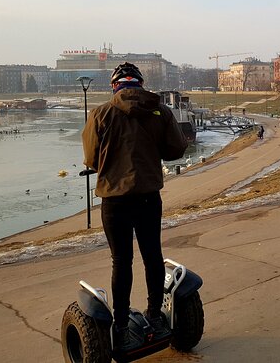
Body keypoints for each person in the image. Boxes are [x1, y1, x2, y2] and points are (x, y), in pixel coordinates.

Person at [82, 62, 188, 351]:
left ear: (115, 86)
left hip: (114, 200)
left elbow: (91, 158)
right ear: (140, 83)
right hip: (147, 197)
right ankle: (155, 315)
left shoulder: (101, 113)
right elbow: (176, 150)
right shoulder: (161, 111)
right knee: (153, 256)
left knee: (121, 260)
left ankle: (120, 324)